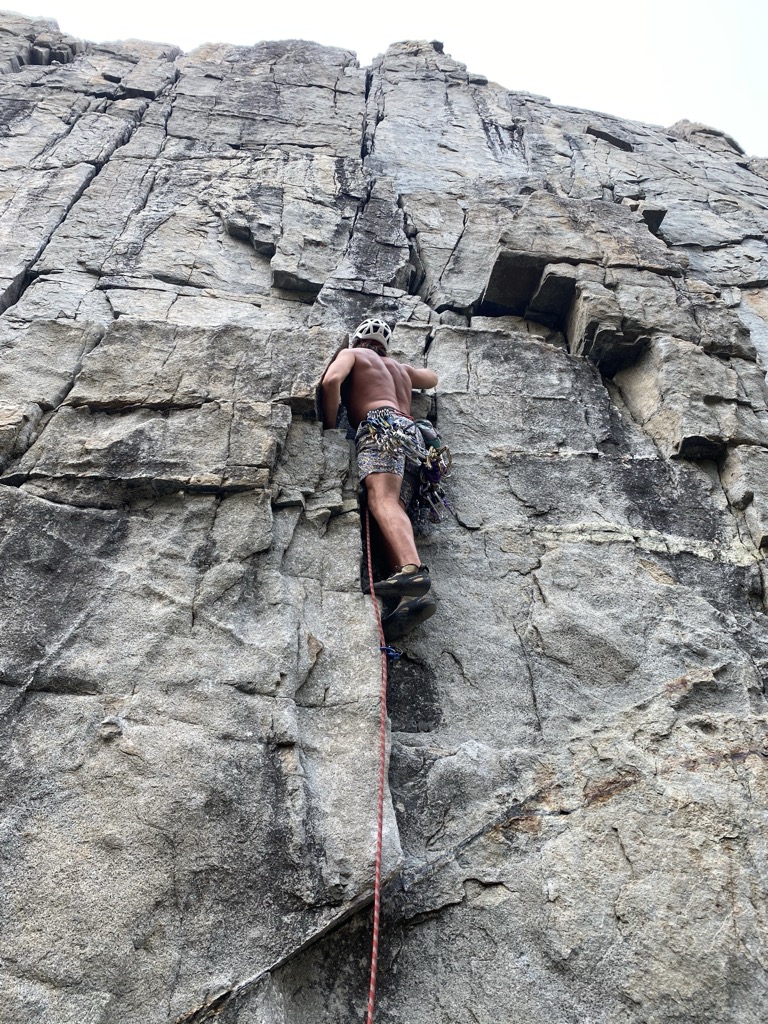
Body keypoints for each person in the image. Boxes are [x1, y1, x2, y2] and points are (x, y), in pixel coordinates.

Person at [321, 317, 439, 636]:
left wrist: (331, 428)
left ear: (358, 339)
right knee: (394, 508)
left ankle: (412, 571)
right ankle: (407, 598)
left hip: (381, 425)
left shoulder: (354, 355)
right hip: (415, 437)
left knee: (381, 500)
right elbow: (431, 378)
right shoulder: (399, 368)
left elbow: (331, 382)